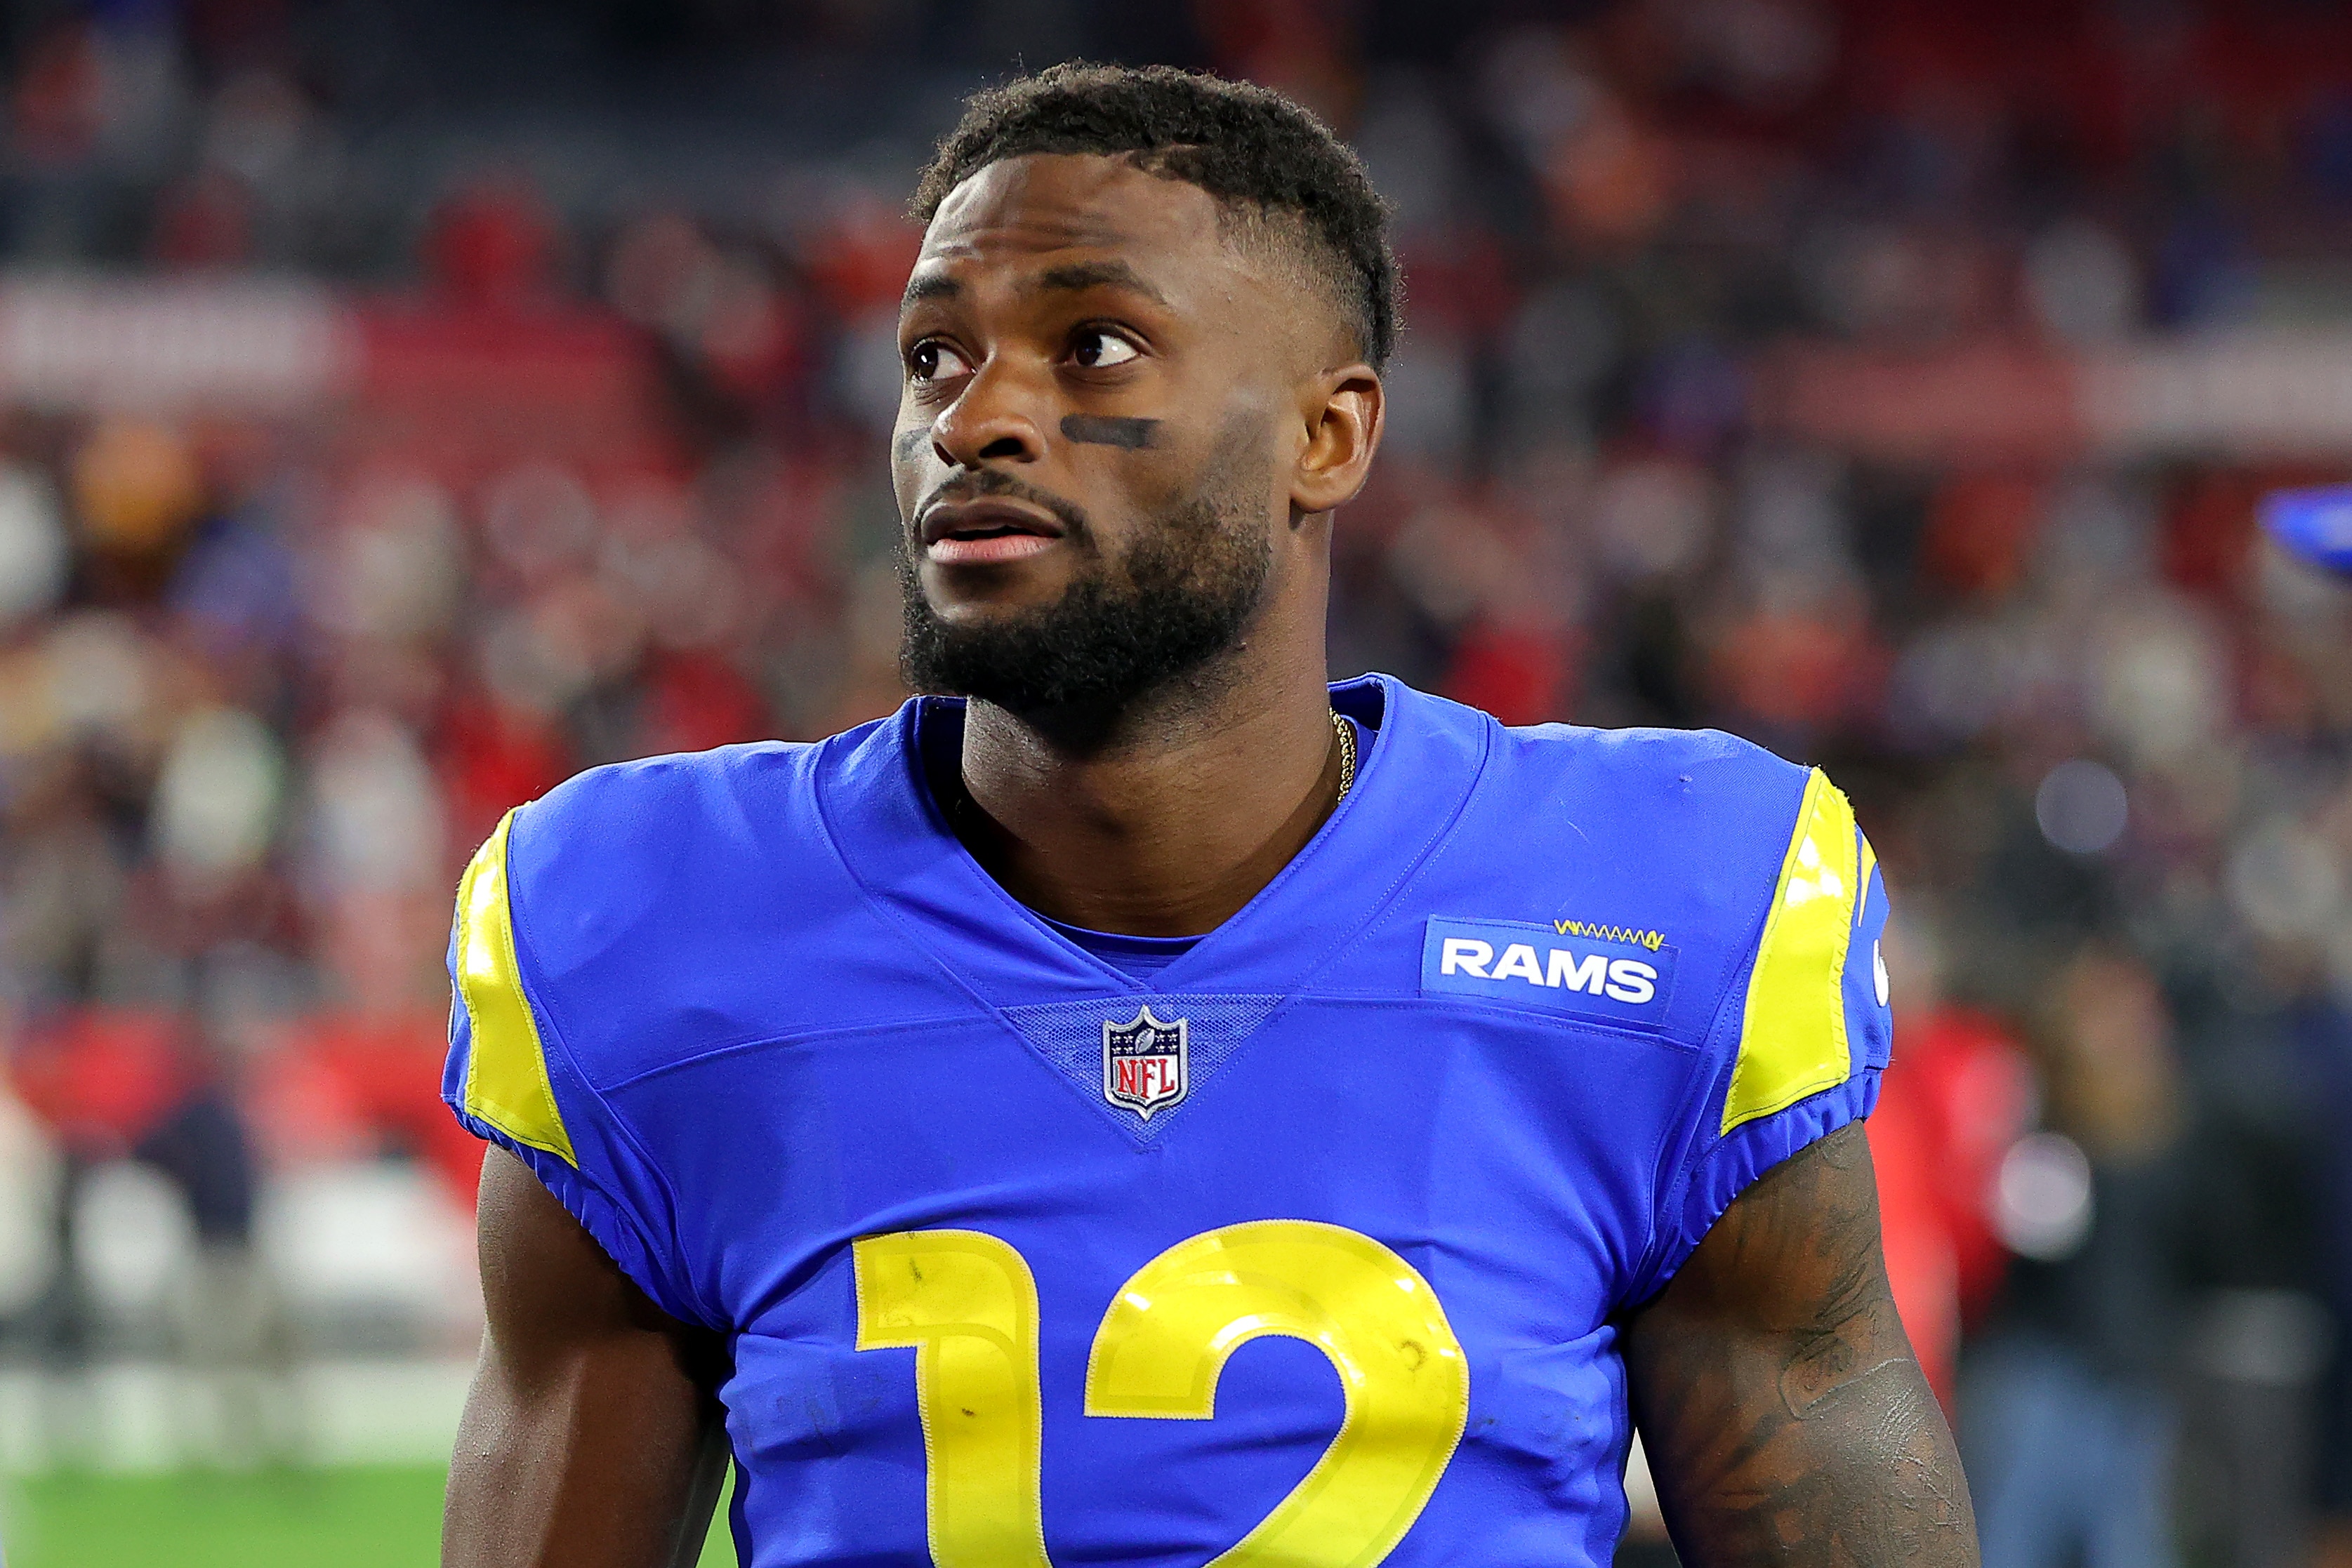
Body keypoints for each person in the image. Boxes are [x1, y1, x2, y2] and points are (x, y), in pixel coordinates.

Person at [439, 62, 1977, 1567]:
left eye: (1093, 347)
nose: (971, 419)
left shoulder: (1663, 895)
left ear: (1330, 436)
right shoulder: (647, 919)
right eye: (932, 356)